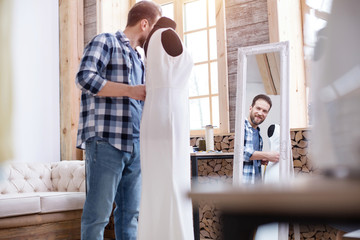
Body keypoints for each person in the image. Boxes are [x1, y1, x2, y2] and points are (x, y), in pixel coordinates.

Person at [75, 2, 162, 239]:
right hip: (107, 142)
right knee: (98, 216)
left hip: (135, 145)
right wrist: (130, 90)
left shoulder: (140, 58)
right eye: (154, 28)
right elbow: (84, 78)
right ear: (145, 23)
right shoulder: (106, 41)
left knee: (131, 215)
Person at [137, 17, 194, 240]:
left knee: (175, 178)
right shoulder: (162, 35)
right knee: (165, 179)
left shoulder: (162, 36)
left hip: (172, 109)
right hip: (164, 110)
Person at [243, 94, 279, 184]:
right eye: (258, 108)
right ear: (251, 108)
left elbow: (251, 157)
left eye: (264, 111)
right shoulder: (241, 127)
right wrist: (266, 155)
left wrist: (260, 159)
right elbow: (241, 152)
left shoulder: (259, 136)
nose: (260, 113)